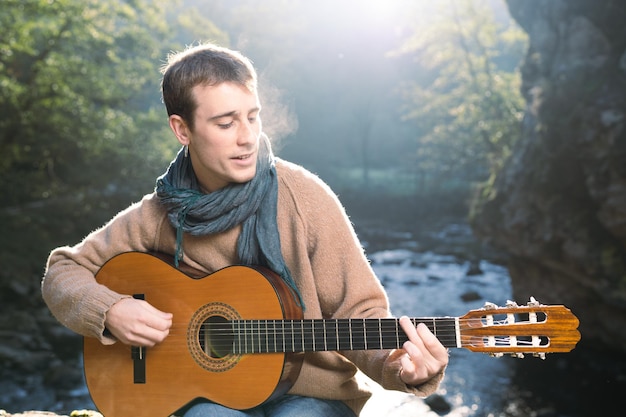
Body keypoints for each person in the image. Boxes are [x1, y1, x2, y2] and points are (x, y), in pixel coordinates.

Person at [41, 42, 448, 417]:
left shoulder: (305, 198)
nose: (248, 137)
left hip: (312, 394)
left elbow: (359, 315)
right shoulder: (160, 213)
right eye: (225, 123)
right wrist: (111, 310)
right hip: (204, 394)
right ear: (182, 130)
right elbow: (62, 272)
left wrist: (401, 367)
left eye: (252, 117)